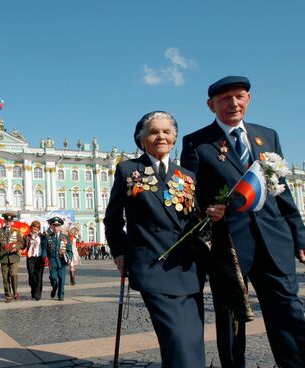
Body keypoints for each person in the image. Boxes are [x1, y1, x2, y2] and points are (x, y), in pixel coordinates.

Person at [181, 76, 305, 368]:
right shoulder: (197, 142)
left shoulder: (267, 136)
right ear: (211, 105)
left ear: (248, 99)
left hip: (275, 239)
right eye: (225, 99)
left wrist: (299, 235)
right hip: (228, 245)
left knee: (288, 312)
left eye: (239, 96)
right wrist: (206, 209)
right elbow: (189, 194)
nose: (233, 103)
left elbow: (283, 190)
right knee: (231, 319)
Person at [105, 111, 218, 368]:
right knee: (176, 337)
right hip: (152, 267)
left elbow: (195, 220)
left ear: (175, 137)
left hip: (188, 269)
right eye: (154, 132)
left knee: (191, 339)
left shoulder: (187, 176)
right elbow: (112, 220)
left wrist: (210, 215)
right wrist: (120, 252)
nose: (161, 136)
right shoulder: (128, 170)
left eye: (167, 132)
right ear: (141, 139)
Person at [0, 212, 25, 302]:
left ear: (12, 222)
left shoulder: (16, 231)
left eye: (10, 221)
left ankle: (15, 292)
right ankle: (8, 296)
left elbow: (21, 243)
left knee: (14, 275)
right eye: (7, 220)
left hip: (14, 257)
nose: (8, 222)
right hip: (3, 257)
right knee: (5, 277)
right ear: (4, 221)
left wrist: (16, 248)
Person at [41, 216, 72, 301]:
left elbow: (69, 250)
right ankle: (54, 288)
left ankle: (61, 295)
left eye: (57, 225)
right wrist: (44, 257)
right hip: (53, 261)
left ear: (60, 226)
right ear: (51, 226)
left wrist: (70, 258)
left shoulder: (65, 237)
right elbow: (44, 248)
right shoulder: (48, 237)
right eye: (54, 225)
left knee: (62, 279)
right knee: (53, 278)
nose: (56, 227)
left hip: (62, 262)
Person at [24, 220, 44, 300]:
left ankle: (38, 294)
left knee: (39, 276)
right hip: (30, 258)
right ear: (31, 227)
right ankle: (33, 289)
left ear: (39, 229)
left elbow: (46, 245)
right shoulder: (27, 236)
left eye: (37, 227)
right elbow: (22, 245)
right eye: (34, 227)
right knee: (31, 276)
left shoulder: (42, 236)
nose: (35, 228)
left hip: (39, 258)